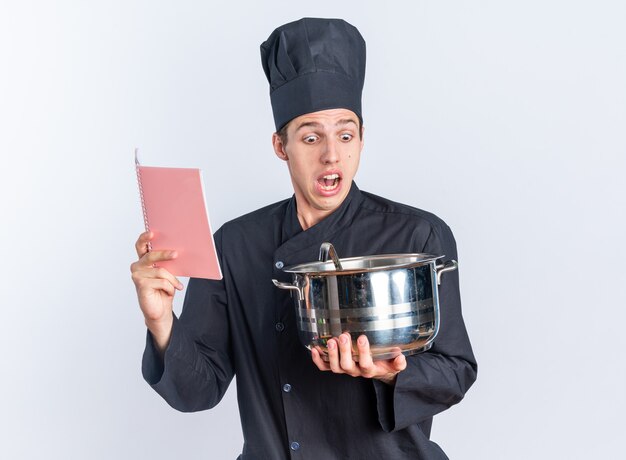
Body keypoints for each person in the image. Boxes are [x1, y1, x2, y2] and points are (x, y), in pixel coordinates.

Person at [131, 18, 477, 459]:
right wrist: (161, 321)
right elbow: (196, 392)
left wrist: (390, 372)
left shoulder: (416, 234)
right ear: (281, 145)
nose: (332, 154)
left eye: (345, 134)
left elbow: (455, 370)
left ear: (362, 138)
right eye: (311, 137)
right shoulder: (235, 245)